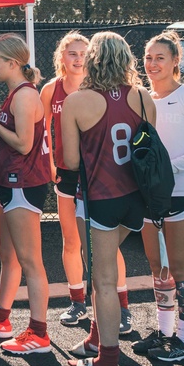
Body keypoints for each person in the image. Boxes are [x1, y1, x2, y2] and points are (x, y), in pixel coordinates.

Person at [61, 31, 154, 366]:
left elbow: (70, 161)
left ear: (93, 58)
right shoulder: (144, 97)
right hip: (136, 199)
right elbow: (150, 152)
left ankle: (108, 362)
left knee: (102, 279)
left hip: (101, 198)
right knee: (105, 274)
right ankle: (98, 340)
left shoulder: (77, 100)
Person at [130, 30, 184, 362]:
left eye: (160, 57)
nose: (152, 64)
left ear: (175, 61)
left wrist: (167, 170)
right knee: (158, 268)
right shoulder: (141, 99)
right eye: (148, 57)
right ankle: (165, 334)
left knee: (182, 268)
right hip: (152, 198)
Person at [41, 32, 133, 334]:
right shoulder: (51, 89)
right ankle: (78, 300)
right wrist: (51, 162)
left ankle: (121, 307)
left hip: (99, 176)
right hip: (68, 175)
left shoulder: (96, 89)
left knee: (104, 248)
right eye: (72, 53)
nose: (78, 58)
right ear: (61, 56)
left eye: (83, 53)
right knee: (71, 242)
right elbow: (44, 131)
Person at [0, 33, 52, 355]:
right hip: (10, 184)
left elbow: (24, 144)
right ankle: (0, 318)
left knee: (30, 261)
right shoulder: (16, 94)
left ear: (12, 63)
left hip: (24, 184)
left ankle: (39, 332)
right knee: (8, 256)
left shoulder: (25, 96)